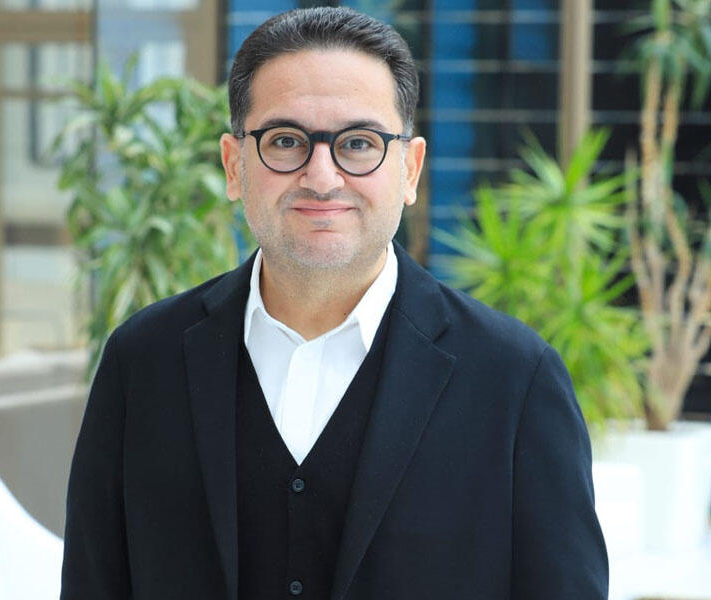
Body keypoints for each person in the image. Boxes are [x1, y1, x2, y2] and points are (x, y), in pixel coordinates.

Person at [60, 7, 608, 600]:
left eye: (359, 143)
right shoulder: (143, 362)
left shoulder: (514, 379)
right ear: (233, 165)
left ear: (410, 169)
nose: (322, 177)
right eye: (285, 141)